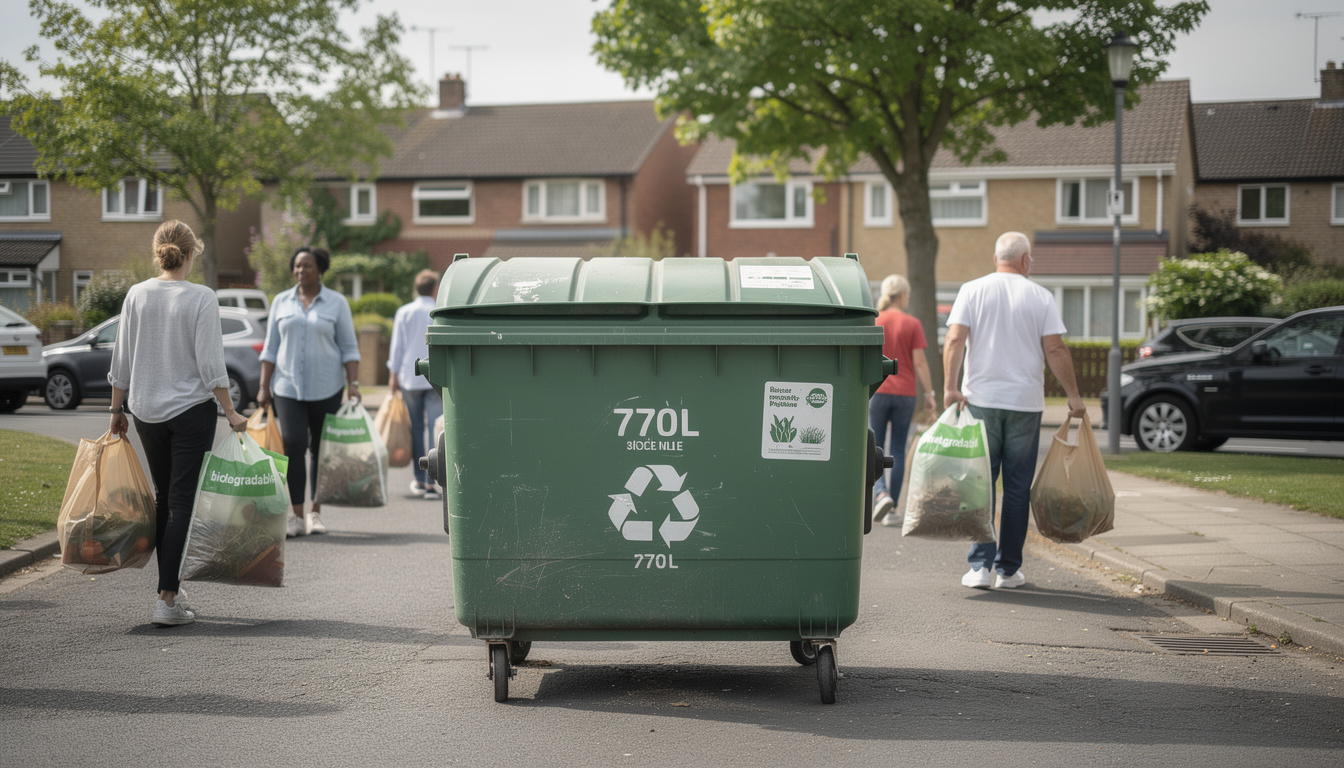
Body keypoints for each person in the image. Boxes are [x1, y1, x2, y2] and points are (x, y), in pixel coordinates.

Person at [108, 220, 249, 626]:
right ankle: (167, 599)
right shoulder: (202, 297)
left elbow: (122, 358)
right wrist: (231, 410)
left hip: (145, 411)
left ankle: (169, 588)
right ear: (191, 254)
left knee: (166, 500)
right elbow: (210, 363)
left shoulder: (137, 294)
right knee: (182, 501)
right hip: (190, 412)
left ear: (159, 253)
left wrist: (117, 410)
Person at [943, 231, 1086, 590]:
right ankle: (1007, 570)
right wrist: (1074, 396)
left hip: (982, 401)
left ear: (996, 258)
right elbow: (1055, 349)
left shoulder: (972, 290)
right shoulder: (1040, 296)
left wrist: (950, 387)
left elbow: (955, 339)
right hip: (1024, 404)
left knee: (981, 481)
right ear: (1025, 261)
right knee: (1018, 488)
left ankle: (979, 567)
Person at [257, 246, 360, 538]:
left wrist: (353, 384)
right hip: (287, 387)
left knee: (321, 451)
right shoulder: (280, 302)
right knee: (293, 445)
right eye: (298, 266)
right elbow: (271, 347)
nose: (301, 271)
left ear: (320, 270)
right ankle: (297, 515)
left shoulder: (337, 303)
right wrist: (263, 387)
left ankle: (316, 512)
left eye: (308, 266)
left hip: (327, 386)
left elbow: (349, 347)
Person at [870, 274, 936, 526]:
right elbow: (919, 361)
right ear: (902, 295)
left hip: (877, 389)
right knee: (898, 448)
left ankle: (881, 493)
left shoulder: (875, 320)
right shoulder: (912, 323)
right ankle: (892, 511)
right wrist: (929, 394)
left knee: (873, 446)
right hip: (905, 393)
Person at [387, 269, 444, 500]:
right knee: (434, 429)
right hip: (435, 377)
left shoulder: (404, 312)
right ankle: (432, 483)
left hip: (410, 378)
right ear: (435, 288)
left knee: (416, 430)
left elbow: (397, 346)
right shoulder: (438, 311)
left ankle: (419, 481)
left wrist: (393, 375)